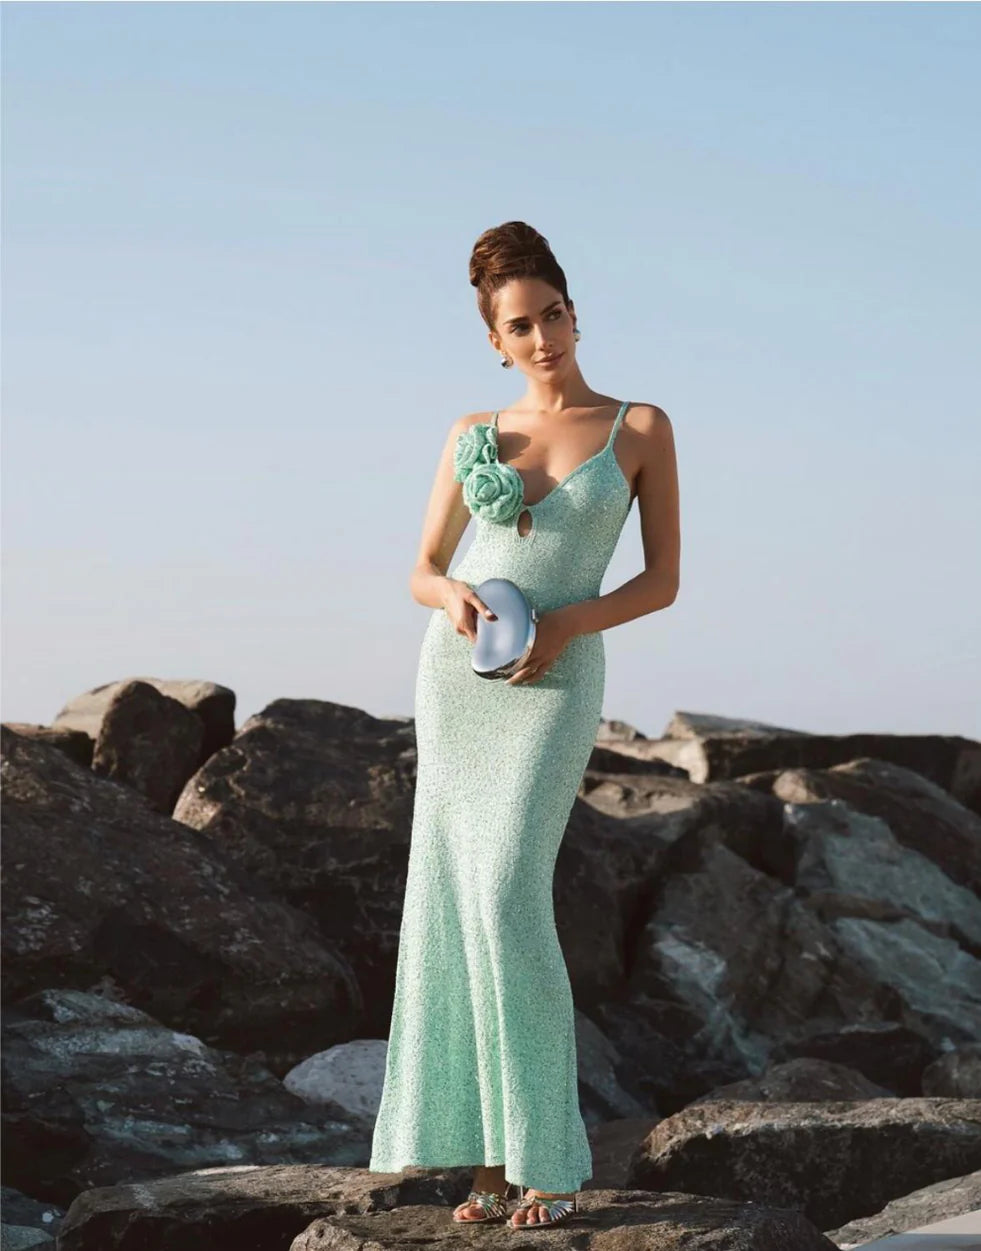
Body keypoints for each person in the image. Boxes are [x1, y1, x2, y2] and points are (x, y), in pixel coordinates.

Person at [367, 220, 681, 1229]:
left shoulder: (639, 428)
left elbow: (664, 581)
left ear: (575, 314)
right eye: (521, 326)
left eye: (554, 315)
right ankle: (489, 1164)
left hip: (557, 682)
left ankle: (547, 1156)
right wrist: (450, 600)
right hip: (461, 682)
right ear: (495, 341)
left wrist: (567, 623)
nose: (543, 338)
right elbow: (420, 567)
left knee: (507, 894)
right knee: (455, 904)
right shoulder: (473, 433)